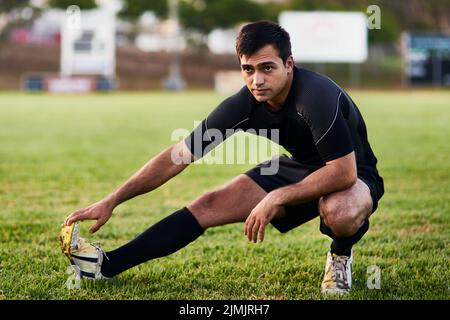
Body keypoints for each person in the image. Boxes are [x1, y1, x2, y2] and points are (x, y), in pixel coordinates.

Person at [60, 20, 384, 294]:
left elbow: (343, 173)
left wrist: (278, 197)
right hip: (299, 167)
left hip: (356, 173)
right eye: (248, 69)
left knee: (338, 211)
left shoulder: (316, 96)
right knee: (208, 204)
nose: (257, 79)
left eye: (267, 68)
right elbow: (178, 156)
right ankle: (106, 265)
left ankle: (340, 255)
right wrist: (112, 200)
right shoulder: (242, 105)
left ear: (289, 64)